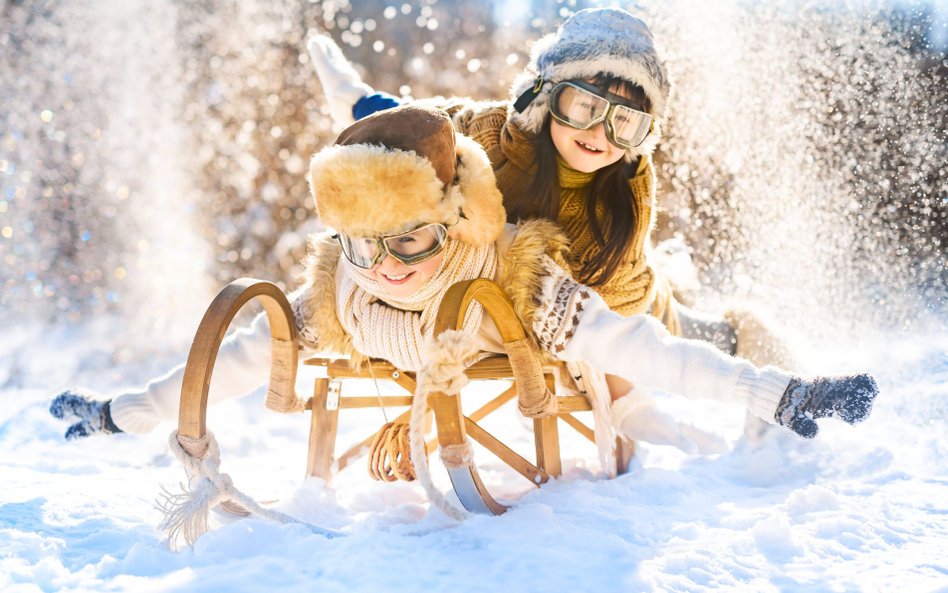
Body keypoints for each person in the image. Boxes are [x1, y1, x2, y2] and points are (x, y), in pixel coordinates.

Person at [51, 105, 877, 459]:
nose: (391, 264)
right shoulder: (344, 282)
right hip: (406, 369)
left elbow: (642, 344)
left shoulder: (512, 274)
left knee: (622, 381)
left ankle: (729, 420)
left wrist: (779, 395)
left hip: (529, 346)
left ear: (450, 217)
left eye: (410, 236)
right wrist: (119, 415)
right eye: (366, 243)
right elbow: (231, 360)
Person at [306, 8, 798, 424]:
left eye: (625, 122)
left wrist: (620, 392)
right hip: (506, 291)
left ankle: (751, 339)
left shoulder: (623, 199)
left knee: (695, 333)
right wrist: (353, 98)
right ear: (544, 95)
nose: (600, 132)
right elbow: (414, 130)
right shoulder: (490, 133)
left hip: (621, 305)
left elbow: (611, 327)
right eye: (583, 106)